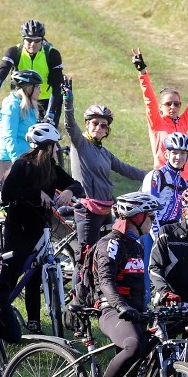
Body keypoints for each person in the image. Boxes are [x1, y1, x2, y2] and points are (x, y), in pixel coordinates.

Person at [83, 192, 162, 377]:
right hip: (111, 310)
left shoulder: (136, 244)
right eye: (149, 216)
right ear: (135, 217)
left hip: (133, 311)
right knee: (133, 345)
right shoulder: (111, 244)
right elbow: (105, 282)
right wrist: (121, 306)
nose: (152, 220)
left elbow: (140, 286)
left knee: (130, 373)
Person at [0, 123, 81, 333]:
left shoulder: (51, 167)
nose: (55, 150)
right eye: (53, 146)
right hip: (18, 228)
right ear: (47, 147)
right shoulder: (22, 164)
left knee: (35, 274)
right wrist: (36, 193)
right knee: (12, 273)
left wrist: (69, 192)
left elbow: (74, 184)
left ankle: (34, 320)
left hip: (39, 227)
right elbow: (7, 193)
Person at [62, 79, 147, 249]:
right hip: (87, 208)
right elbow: (70, 125)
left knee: (104, 254)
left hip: (105, 208)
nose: (99, 127)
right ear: (87, 124)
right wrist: (68, 100)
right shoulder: (80, 143)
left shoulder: (105, 153)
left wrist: (154, 174)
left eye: (104, 125)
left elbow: (127, 170)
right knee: (85, 258)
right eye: (95, 123)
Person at [134, 48, 188, 178]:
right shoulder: (156, 122)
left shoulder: (183, 122)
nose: (173, 107)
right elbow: (149, 99)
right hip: (163, 178)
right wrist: (142, 73)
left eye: (177, 104)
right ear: (160, 107)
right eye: (168, 104)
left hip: (185, 178)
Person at [0, 19, 63, 122]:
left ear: (42, 40)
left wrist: (50, 114)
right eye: (29, 40)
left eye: (37, 40)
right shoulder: (14, 52)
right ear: (23, 39)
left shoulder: (52, 54)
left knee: (47, 135)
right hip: (23, 99)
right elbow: (1, 73)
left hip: (46, 100)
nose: (33, 44)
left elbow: (57, 86)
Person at [0, 70, 42, 182]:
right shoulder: (12, 107)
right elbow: (9, 137)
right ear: (29, 88)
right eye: (37, 86)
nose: (40, 90)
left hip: (25, 158)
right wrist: (18, 162)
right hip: (8, 159)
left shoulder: (29, 107)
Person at [142, 132, 188, 236]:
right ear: (166, 154)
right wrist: (157, 236)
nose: (179, 157)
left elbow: (182, 215)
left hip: (171, 232)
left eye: (183, 153)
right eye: (174, 152)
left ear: (187, 156)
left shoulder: (184, 183)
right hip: (151, 230)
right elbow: (150, 209)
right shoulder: (156, 176)